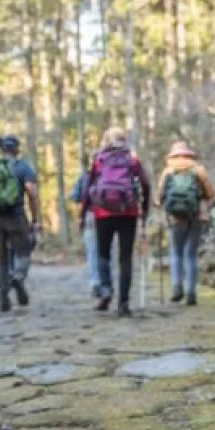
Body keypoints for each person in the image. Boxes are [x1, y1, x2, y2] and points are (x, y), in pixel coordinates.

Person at [80, 128, 150, 316]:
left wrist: (84, 213)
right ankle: (123, 304)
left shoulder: (99, 158)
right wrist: (145, 208)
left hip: (103, 212)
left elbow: (88, 186)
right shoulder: (132, 158)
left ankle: (106, 291)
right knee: (125, 258)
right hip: (129, 211)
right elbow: (145, 183)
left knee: (103, 254)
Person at [0, 135, 40, 312]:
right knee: (24, 250)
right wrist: (35, 219)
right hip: (16, 216)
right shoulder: (23, 167)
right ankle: (18, 277)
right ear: (17, 149)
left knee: (1, 259)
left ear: (2, 149)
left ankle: (3, 298)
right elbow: (32, 192)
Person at [156, 140, 215, 306]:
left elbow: (158, 198)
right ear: (190, 154)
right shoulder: (199, 170)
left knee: (176, 252)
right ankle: (191, 292)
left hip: (176, 218)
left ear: (172, 155)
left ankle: (177, 288)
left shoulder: (168, 171)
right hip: (197, 216)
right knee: (190, 254)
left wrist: (163, 206)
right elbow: (211, 193)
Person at [69, 153, 101, 297]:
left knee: (92, 251)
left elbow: (75, 197)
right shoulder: (110, 175)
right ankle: (108, 282)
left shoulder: (86, 176)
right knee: (109, 251)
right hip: (109, 216)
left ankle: (95, 282)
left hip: (90, 216)